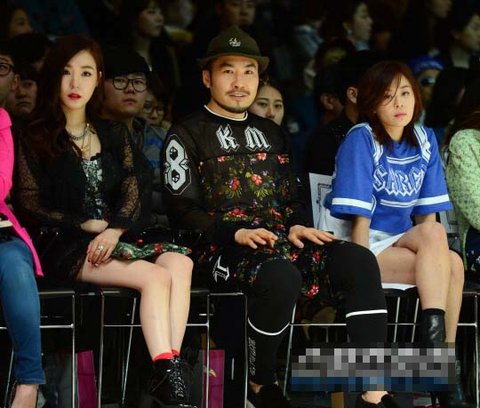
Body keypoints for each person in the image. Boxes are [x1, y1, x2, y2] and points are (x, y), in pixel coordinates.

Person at [163, 25, 399, 408]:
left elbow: (293, 196)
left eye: (249, 72)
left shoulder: (273, 133)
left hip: (280, 241)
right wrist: (233, 232)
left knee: (358, 259)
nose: (239, 82)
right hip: (218, 248)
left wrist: (297, 224)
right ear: (207, 78)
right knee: (279, 274)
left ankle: (373, 391)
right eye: (228, 71)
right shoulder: (186, 133)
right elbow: (181, 210)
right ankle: (261, 382)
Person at [11, 34, 194, 406]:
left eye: (86, 72)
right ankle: (167, 374)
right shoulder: (33, 134)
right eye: (66, 72)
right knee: (155, 277)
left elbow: (133, 186)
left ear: (98, 79)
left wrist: (114, 229)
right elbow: (30, 202)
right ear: (53, 77)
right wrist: (84, 224)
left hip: (115, 234)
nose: (75, 83)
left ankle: (166, 371)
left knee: (181, 263)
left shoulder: (112, 132)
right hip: (64, 240)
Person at [329, 60, 467, 407]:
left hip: (404, 242)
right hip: (360, 245)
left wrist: (431, 255)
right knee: (450, 265)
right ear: (371, 103)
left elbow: (427, 218)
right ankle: (441, 369)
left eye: (405, 93)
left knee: (448, 255)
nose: (399, 103)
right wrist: (359, 274)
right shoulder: (361, 139)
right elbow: (359, 221)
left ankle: (438, 352)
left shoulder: (424, 138)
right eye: (387, 96)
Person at [0, 40, 43, 408]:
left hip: (2, 234)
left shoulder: (2, 121)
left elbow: (1, 184)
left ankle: (29, 384)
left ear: (13, 81)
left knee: (15, 266)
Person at [96, 45, 168, 228]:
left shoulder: (165, 138)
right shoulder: (85, 138)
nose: (131, 89)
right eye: (120, 81)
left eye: (138, 82)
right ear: (98, 85)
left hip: (161, 232)